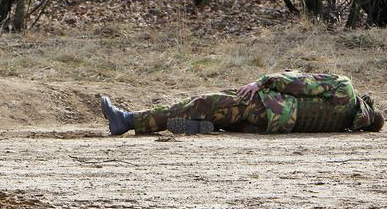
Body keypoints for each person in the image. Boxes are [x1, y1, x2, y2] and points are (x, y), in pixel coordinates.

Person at [101, 71, 384, 136]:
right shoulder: (346, 123)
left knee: (203, 101)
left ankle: (127, 120)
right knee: (223, 113)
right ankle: (203, 127)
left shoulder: (345, 88)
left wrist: (260, 82)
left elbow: (299, 82)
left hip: (266, 106)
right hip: (269, 125)